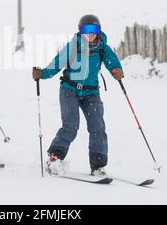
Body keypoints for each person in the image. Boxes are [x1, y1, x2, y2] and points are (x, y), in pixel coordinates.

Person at [32, 14, 124, 176]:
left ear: (98, 31)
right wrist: (42, 74)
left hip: (91, 92)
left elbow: (113, 63)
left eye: (93, 30)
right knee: (71, 125)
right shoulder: (72, 47)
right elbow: (56, 64)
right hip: (70, 90)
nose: (90, 34)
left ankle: (97, 166)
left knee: (97, 127)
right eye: (86, 30)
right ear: (80, 31)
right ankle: (55, 158)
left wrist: (117, 71)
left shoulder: (103, 48)